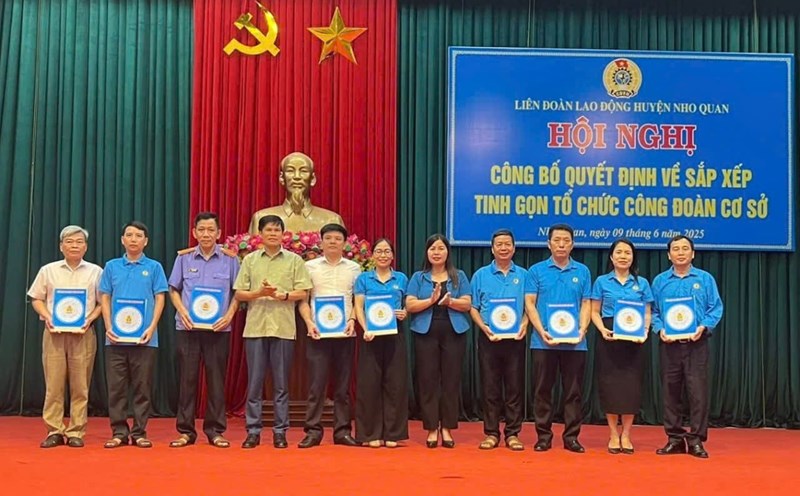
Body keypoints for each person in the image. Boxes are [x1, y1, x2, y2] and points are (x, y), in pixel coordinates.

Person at [234, 214, 312, 449]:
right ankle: (253, 431)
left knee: (281, 384)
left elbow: (304, 292)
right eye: (268, 230)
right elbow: (239, 293)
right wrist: (259, 293)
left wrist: (283, 295)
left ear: (283, 234)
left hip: (283, 328)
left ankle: (280, 432)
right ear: (260, 234)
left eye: (277, 230)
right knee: (255, 383)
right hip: (255, 328)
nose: (273, 234)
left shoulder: (294, 260)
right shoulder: (249, 260)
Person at [168, 212, 240, 449]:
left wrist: (229, 316)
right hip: (188, 328)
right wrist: (182, 311)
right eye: (201, 230)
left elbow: (238, 293)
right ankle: (185, 431)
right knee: (187, 381)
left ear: (219, 233)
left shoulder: (230, 260)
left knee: (216, 381)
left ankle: (215, 431)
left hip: (218, 330)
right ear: (194, 233)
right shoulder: (184, 259)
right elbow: (173, 289)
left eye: (211, 230)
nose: (206, 234)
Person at [28, 225, 103, 448]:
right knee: (54, 386)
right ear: (61, 246)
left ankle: (76, 431)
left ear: (86, 247)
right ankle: (54, 430)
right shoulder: (48, 270)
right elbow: (36, 298)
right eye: (69, 242)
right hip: (54, 334)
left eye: (79, 242)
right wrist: (47, 316)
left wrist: (90, 318)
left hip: (83, 334)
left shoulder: (96, 272)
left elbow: (103, 302)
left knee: (81, 386)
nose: (74, 246)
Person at [651, 235, 723, 459]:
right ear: (668, 254)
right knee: (670, 393)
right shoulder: (660, 281)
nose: (680, 252)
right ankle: (674, 439)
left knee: (698, 393)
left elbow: (715, 308)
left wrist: (703, 326)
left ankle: (696, 440)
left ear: (693, 253)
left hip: (697, 344)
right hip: (669, 345)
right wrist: (659, 329)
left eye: (685, 248)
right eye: (676, 249)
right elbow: (652, 312)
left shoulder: (705, 279)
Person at [100, 221, 168, 448]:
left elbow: (160, 298)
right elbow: (104, 296)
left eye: (138, 235)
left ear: (145, 241)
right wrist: (108, 325)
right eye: (129, 235)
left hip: (145, 340)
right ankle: (119, 432)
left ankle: (139, 432)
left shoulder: (155, 267)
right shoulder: (111, 266)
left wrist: (152, 327)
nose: (133, 239)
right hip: (115, 339)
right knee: (116, 389)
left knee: (142, 388)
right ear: (122, 240)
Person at [524, 223, 591, 453]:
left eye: (566, 241)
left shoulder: (582, 271)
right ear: (548, 244)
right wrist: (541, 330)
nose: (561, 245)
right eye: (557, 240)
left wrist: (582, 330)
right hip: (543, 342)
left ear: (572, 244)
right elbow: (530, 303)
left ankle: (571, 437)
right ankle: (543, 436)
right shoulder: (536, 271)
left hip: (575, 344)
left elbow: (586, 303)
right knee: (542, 391)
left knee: (573, 392)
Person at [297, 223, 361, 448]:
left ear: (345, 243)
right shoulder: (310, 267)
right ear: (321, 241)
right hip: (318, 334)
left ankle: (342, 431)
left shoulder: (354, 268)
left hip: (345, 334)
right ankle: (313, 432)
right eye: (329, 238)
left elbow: (357, 301)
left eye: (338, 238)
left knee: (343, 387)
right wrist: (309, 323)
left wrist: (352, 320)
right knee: (316, 386)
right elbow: (303, 301)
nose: (333, 241)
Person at [406, 234, 472, 449]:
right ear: (427, 252)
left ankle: (447, 428)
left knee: (451, 381)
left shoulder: (459, 276)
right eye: (432, 248)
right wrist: (431, 300)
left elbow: (467, 304)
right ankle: (432, 428)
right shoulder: (418, 277)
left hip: (454, 333)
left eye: (441, 248)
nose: (436, 252)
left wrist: (450, 302)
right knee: (428, 381)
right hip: (425, 333)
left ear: (447, 252)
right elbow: (410, 305)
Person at [590, 238, 653, 455]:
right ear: (611, 256)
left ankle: (626, 434)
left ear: (633, 257)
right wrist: (602, 329)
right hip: (609, 336)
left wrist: (645, 332)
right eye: (619, 252)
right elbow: (594, 311)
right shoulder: (601, 282)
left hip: (635, 340)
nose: (623, 256)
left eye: (627, 253)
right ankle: (612, 434)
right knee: (610, 385)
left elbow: (647, 312)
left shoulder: (642, 283)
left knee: (631, 386)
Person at [469, 229, 528, 451]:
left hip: (515, 339)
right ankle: (491, 433)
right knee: (490, 387)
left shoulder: (524, 275)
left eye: (507, 244)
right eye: (499, 244)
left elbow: (530, 307)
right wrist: (483, 327)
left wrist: (524, 325)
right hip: (489, 338)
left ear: (514, 248)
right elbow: (473, 307)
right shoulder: (480, 275)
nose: (504, 248)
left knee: (514, 388)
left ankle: (513, 434)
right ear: (492, 249)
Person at [353, 238, 409, 448]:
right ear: (372, 255)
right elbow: (358, 307)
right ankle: (370, 433)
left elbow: (407, 304)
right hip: (371, 336)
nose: (383, 255)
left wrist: (405, 312)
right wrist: (365, 329)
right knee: (369, 385)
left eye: (387, 251)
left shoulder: (401, 278)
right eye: (379, 251)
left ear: (393, 255)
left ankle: (393, 433)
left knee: (395, 384)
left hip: (395, 335)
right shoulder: (363, 278)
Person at [249, 152, 344, 234]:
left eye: (303, 171)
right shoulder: (260, 218)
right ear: (282, 178)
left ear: (312, 179)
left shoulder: (331, 220)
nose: (297, 176)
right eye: (290, 171)